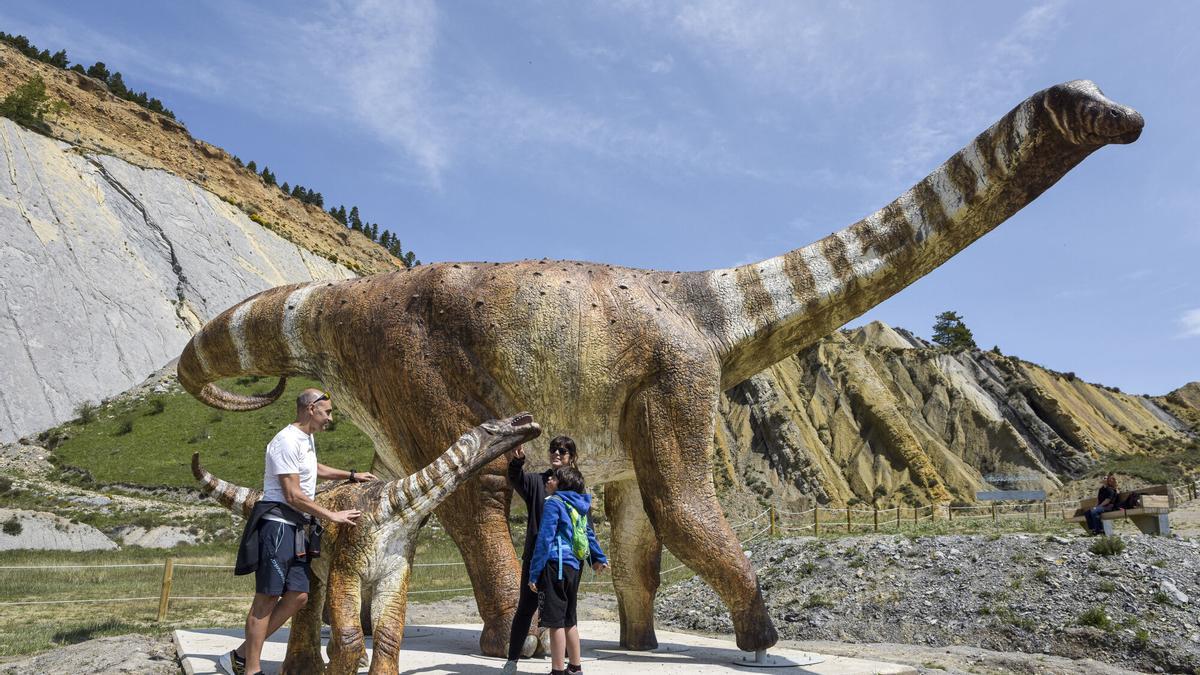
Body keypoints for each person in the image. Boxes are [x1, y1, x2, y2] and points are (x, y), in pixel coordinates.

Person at [219, 389, 376, 675]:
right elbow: (292, 494)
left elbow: (311, 469)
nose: (330, 418)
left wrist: (351, 475)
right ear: (311, 409)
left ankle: (240, 655)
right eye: (327, 412)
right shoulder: (285, 441)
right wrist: (332, 515)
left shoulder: (306, 439)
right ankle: (250, 669)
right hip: (277, 525)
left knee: (299, 596)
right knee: (266, 599)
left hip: (297, 529)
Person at [501, 436, 581, 673]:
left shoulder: (576, 486)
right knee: (526, 607)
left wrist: (590, 556)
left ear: (571, 457)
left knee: (567, 615)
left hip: (565, 562)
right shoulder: (538, 482)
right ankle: (512, 660)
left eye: (563, 451)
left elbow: (583, 524)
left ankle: (569, 666)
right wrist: (517, 461)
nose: (557, 453)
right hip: (537, 558)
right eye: (554, 449)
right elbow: (515, 478)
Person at [526, 465, 608, 675]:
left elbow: (544, 540)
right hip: (573, 568)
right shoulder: (579, 505)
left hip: (555, 567)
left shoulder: (554, 503)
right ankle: (575, 667)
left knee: (555, 623)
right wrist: (599, 558)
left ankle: (557, 670)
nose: (548, 480)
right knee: (570, 620)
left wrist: (534, 573)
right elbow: (589, 534)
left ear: (561, 484)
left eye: (552, 478)